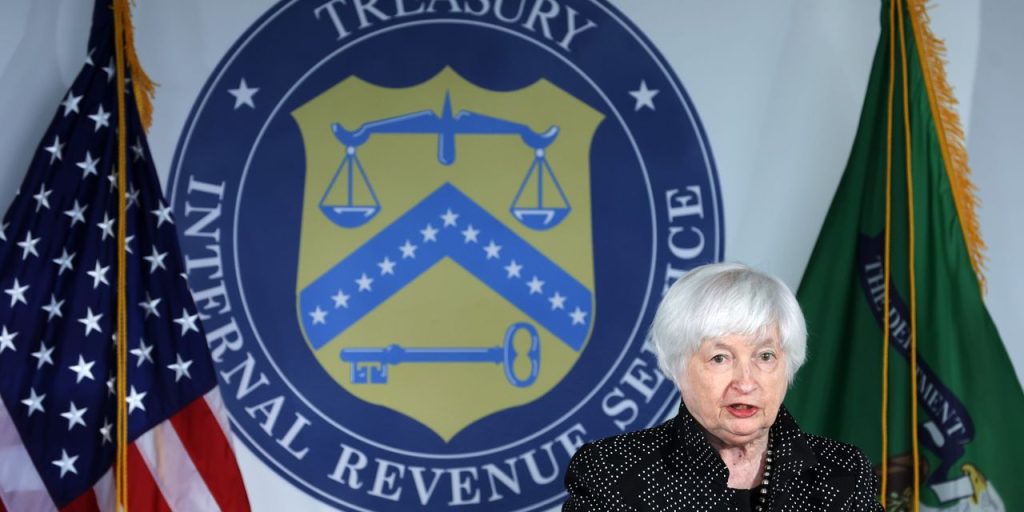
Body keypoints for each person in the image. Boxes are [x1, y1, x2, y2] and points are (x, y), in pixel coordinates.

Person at [562, 262, 883, 511]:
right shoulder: (612, 472)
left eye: (765, 356)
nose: (745, 382)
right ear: (678, 366)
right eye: (720, 358)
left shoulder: (843, 471)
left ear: (788, 364)